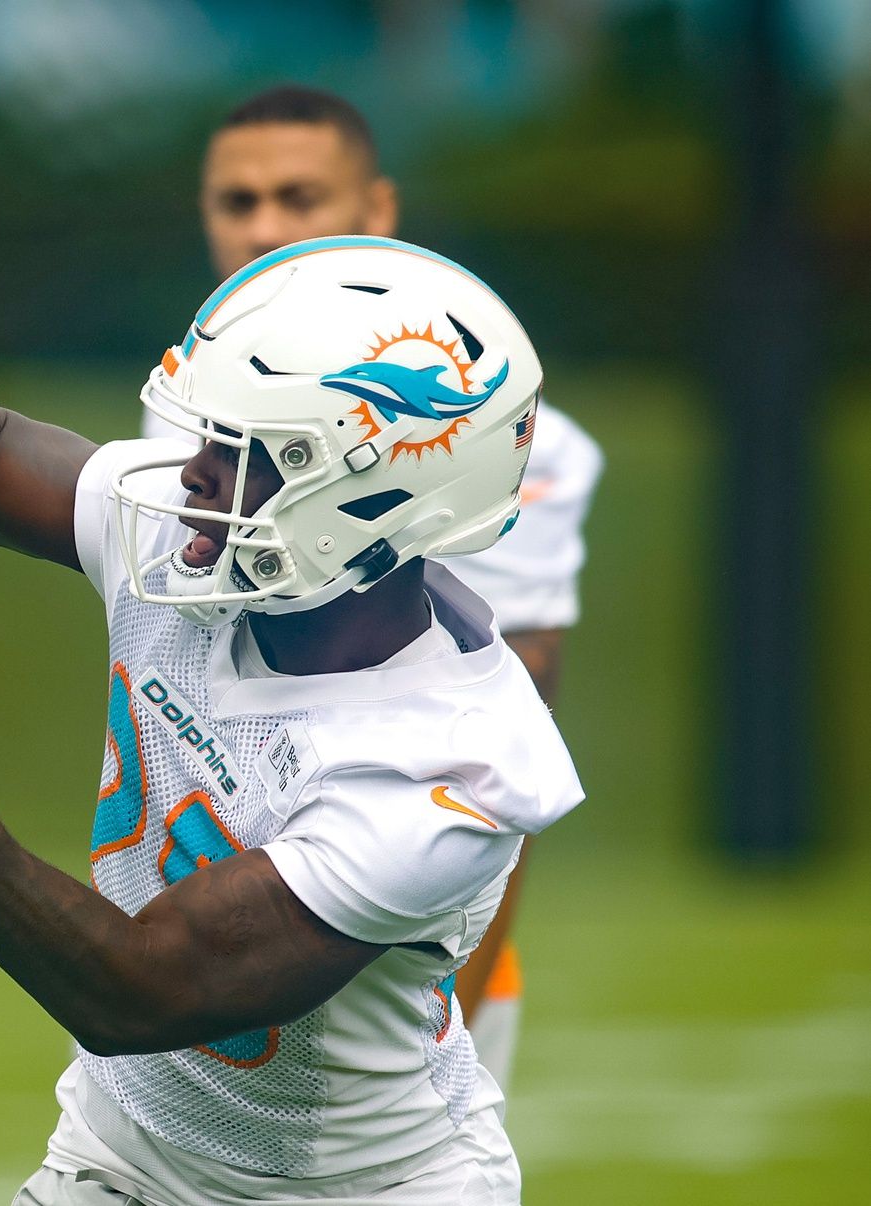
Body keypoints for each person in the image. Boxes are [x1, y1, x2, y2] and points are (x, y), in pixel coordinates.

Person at [0, 234, 583, 1203]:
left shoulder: (448, 766)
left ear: (363, 496)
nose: (190, 477)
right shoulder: (205, 542)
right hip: (124, 1151)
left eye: (241, 452)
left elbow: (136, 990)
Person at [147, 85, 604, 1084]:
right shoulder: (185, 418)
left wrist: (460, 1011)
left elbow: (494, 779)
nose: (265, 228)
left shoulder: (480, 442)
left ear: (378, 212)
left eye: (300, 196)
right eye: (237, 202)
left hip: (389, 936)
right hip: (213, 915)